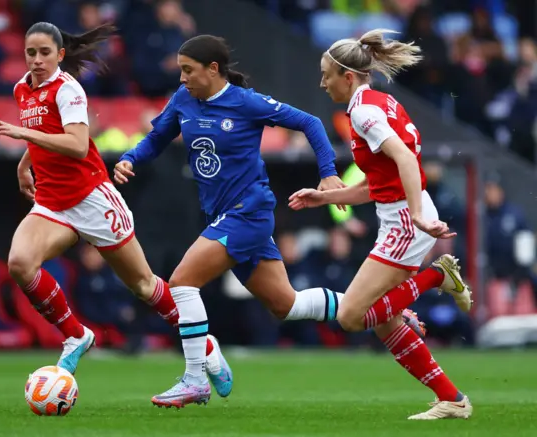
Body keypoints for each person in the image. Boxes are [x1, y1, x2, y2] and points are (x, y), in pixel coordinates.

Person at [114, 34, 424, 409]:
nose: (182, 79)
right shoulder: (183, 100)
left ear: (213, 69)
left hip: (248, 212)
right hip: (224, 214)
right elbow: (157, 137)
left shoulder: (246, 103)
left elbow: (309, 122)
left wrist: (327, 173)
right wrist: (131, 157)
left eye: (188, 70)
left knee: (181, 282)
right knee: (285, 305)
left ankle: (196, 377)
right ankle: (383, 311)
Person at [0, 22, 231, 390]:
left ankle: (205, 347)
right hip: (53, 202)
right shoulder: (23, 88)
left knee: (146, 286)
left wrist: (22, 134)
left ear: (60, 55)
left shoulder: (68, 90)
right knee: (20, 263)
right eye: (30, 53)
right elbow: (44, 136)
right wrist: (25, 163)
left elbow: (78, 145)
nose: (36, 60)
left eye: (45, 53)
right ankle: (75, 336)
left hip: (92, 199)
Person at [288, 29, 473, 420]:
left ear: (348, 77)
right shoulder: (381, 102)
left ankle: (437, 277)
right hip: (405, 215)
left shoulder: (362, 112)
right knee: (384, 321)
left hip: (406, 221)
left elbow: (406, 160)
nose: (322, 83)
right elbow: (378, 183)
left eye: (326, 75)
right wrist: (326, 197)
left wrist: (419, 219)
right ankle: (452, 399)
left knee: (351, 316)